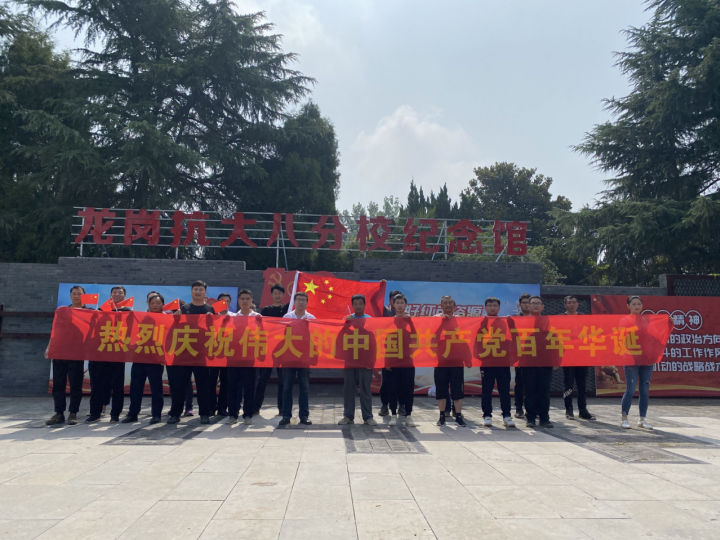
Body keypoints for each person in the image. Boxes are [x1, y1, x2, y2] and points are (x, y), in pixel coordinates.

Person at [167, 280, 214, 424]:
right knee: (179, 385)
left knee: (203, 385)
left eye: (201, 289)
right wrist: (176, 318)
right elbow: (175, 329)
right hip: (184, 352)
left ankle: (204, 414)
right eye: (195, 289)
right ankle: (175, 413)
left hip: (202, 353)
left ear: (205, 292)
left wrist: (212, 319)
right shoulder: (184, 308)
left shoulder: (210, 309)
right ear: (191, 291)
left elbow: (216, 330)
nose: (198, 292)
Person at [45, 285, 90, 426]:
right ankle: (59, 413)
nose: (77, 296)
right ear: (70, 296)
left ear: (84, 296)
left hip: (77, 354)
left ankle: (73, 413)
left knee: (76, 384)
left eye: (79, 294)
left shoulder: (89, 312)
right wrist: (49, 348)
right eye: (74, 294)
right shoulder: (63, 311)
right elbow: (55, 331)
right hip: (60, 352)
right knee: (58, 384)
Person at [122, 292, 166, 424]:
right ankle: (133, 413)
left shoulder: (166, 318)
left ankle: (156, 414)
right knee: (135, 387)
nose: (155, 305)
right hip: (139, 356)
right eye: (152, 303)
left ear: (163, 304)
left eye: (158, 303)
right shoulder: (140, 317)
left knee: (156, 388)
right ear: (148, 304)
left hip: (156, 358)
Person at [86, 285, 129, 423]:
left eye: (120, 292)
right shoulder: (101, 310)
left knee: (117, 386)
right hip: (100, 353)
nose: (117, 294)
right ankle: (95, 413)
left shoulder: (128, 312)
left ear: (124, 296)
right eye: (114, 292)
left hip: (117, 352)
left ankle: (115, 414)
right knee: (97, 385)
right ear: (111, 295)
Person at [339, 294, 378, 426]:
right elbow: (340, 337)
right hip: (350, 359)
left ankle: (368, 417)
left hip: (365, 360)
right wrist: (346, 324)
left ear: (364, 305)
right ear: (352, 305)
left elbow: (374, 342)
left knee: (365, 388)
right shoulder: (348, 319)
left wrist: (372, 361)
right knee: (348, 388)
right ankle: (348, 416)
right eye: (355, 304)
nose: (358, 306)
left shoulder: (370, 320)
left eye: (360, 304)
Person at [279, 292, 314, 426]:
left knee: (304, 388)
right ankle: (286, 416)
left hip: (304, 357)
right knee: (287, 388)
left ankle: (304, 416)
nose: (301, 302)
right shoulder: (287, 317)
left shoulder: (311, 318)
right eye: (298, 300)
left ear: (307, 303)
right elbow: (281, 335)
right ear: (294, 302)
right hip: (289, 356)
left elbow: (316, 337)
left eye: (303, 300)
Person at [227, 289, 261, 425]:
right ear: (238, 301)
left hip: (250, 358)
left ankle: (248, 415)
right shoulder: (232, 317)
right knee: (233, 388)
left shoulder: (258, 317)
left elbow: (264, 336)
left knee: (249, 388)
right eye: (242, 299)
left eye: (248, 298)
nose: (245, 301)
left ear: (251, 300)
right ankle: (232, 414)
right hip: (234, 358)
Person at [480, 297, 515, 428]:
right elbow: (476, 340)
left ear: (499, 308)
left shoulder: (504, 321)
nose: (492, 308)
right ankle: (487, 415)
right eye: (489, 306)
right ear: (485, 308)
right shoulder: (480, 322)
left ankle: (507, 415)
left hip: (503, 361)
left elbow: (512, 338)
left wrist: (511, 324)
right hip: (487, 361)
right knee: (486, 390)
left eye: (495, 305)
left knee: (504, 390)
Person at [621, 296, 654, 430]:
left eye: (639, 304)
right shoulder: (624, 320)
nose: (636, 306)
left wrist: (668, 323)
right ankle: (624, 418)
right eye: (633, 304)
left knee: (644, 390)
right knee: (630, 389)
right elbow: (622, 337)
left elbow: (654, 336)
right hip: (631, 359)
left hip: (646, 359)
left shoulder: (646, 320)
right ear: (628, 306)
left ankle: (642, 419)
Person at [434, 295, 467, 427]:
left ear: (454, 305)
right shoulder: (435, 319)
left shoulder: (460, 320)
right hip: (441, 360)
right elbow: (432, 337)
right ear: (440, 305)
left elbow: (465, 339)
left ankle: (458, 415)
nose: (448, 305)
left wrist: (468, 357)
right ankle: (442, 415)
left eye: (450, 303)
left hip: (457, 360)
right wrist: (442, 323)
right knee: (441, 389)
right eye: (445, 303)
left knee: (457, 389)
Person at [257, 284, 289, 416]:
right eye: (275, 293)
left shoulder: (287, 309)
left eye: (280, 293)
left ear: (283, 295)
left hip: (283, 349)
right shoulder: (266, 310)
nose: (277, 295)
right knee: (262, 380)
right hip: (268, 349)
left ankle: (282, 408)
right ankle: (255, 407)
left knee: (282, 381)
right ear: (271, 295)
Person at [562, 295, 595, 421]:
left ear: (578, 304)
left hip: (582, 355)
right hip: (567, 356)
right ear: (565, 305)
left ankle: (583, 409)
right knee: (568, 385)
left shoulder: (584, 318)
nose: (572, 304)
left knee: (582, 385)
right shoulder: (560, 319)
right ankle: (569, 409)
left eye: (574, 302)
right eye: (569, 302)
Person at [386, 294, 416, 427]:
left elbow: (416, 339)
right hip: (393, 361)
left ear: (405, 305)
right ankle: (393, 414)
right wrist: (386, 362)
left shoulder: (410, 321)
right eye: (397, 302)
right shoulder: (388, 321)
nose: (399, 305)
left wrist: (410, 323)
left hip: (408, 361)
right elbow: (384, 342)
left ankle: (408, 416)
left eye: (402, 302)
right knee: (393, 388)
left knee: (408, 389)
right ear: (393, 304)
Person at [523, 296, 553, 428]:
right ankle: (530, 418)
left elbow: (557, 342)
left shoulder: (549, 322)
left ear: (542, 306)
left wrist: (556, 360)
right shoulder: (521, 322)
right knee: (529, 391)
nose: (535, 305)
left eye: (538, 303)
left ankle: (544, 418)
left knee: (544, 391)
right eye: (533, 303)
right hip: (527, 362)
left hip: (545, 362)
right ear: (528, 306)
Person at [207, 292, 232, 417]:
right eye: (222, 301)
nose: (224, 303)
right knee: (211, 381)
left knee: (225, 382)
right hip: (212, 354)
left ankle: (222, 407)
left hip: (227, 354)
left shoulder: (235, 317)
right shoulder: (211, 316)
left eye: (227, 301)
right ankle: (211, 407)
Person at [379, 289, 402, 417]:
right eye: (394, 300)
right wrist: (380, 287)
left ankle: (402, 406)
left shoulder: (406, 315)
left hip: (402, 352)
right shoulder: (386, 312)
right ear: (390, 301)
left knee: (401, 381)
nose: (397, 303)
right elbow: (374, 301)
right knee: (387, 381)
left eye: (399, 300)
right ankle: (384, 406)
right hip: (388, 351)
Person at [513, 292, 532, 419]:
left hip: (535, 354)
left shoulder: (538, 318)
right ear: (519, 305)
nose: (526, 305)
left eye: (528, 303)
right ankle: (519, 407)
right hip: (520, 354)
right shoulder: (514, 319)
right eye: (524, 303)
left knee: (533, 383)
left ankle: (532, 408)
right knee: (519, 382)